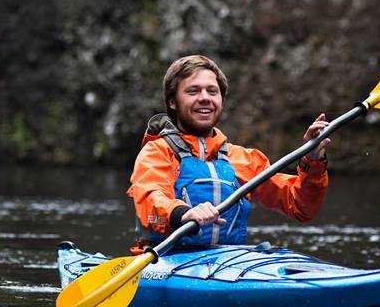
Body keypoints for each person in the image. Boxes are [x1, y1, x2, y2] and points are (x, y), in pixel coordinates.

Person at [127, 55, 329, 248]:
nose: (205, 98)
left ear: (221, 101)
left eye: (212, 91)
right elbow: (150, 197)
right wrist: (183, 213)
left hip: (228, 263)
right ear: (173, 102)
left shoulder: (244, 160)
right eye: (193, 91)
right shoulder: (157, 152)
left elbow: (301, 206)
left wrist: (312, 161)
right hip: (167, 260)